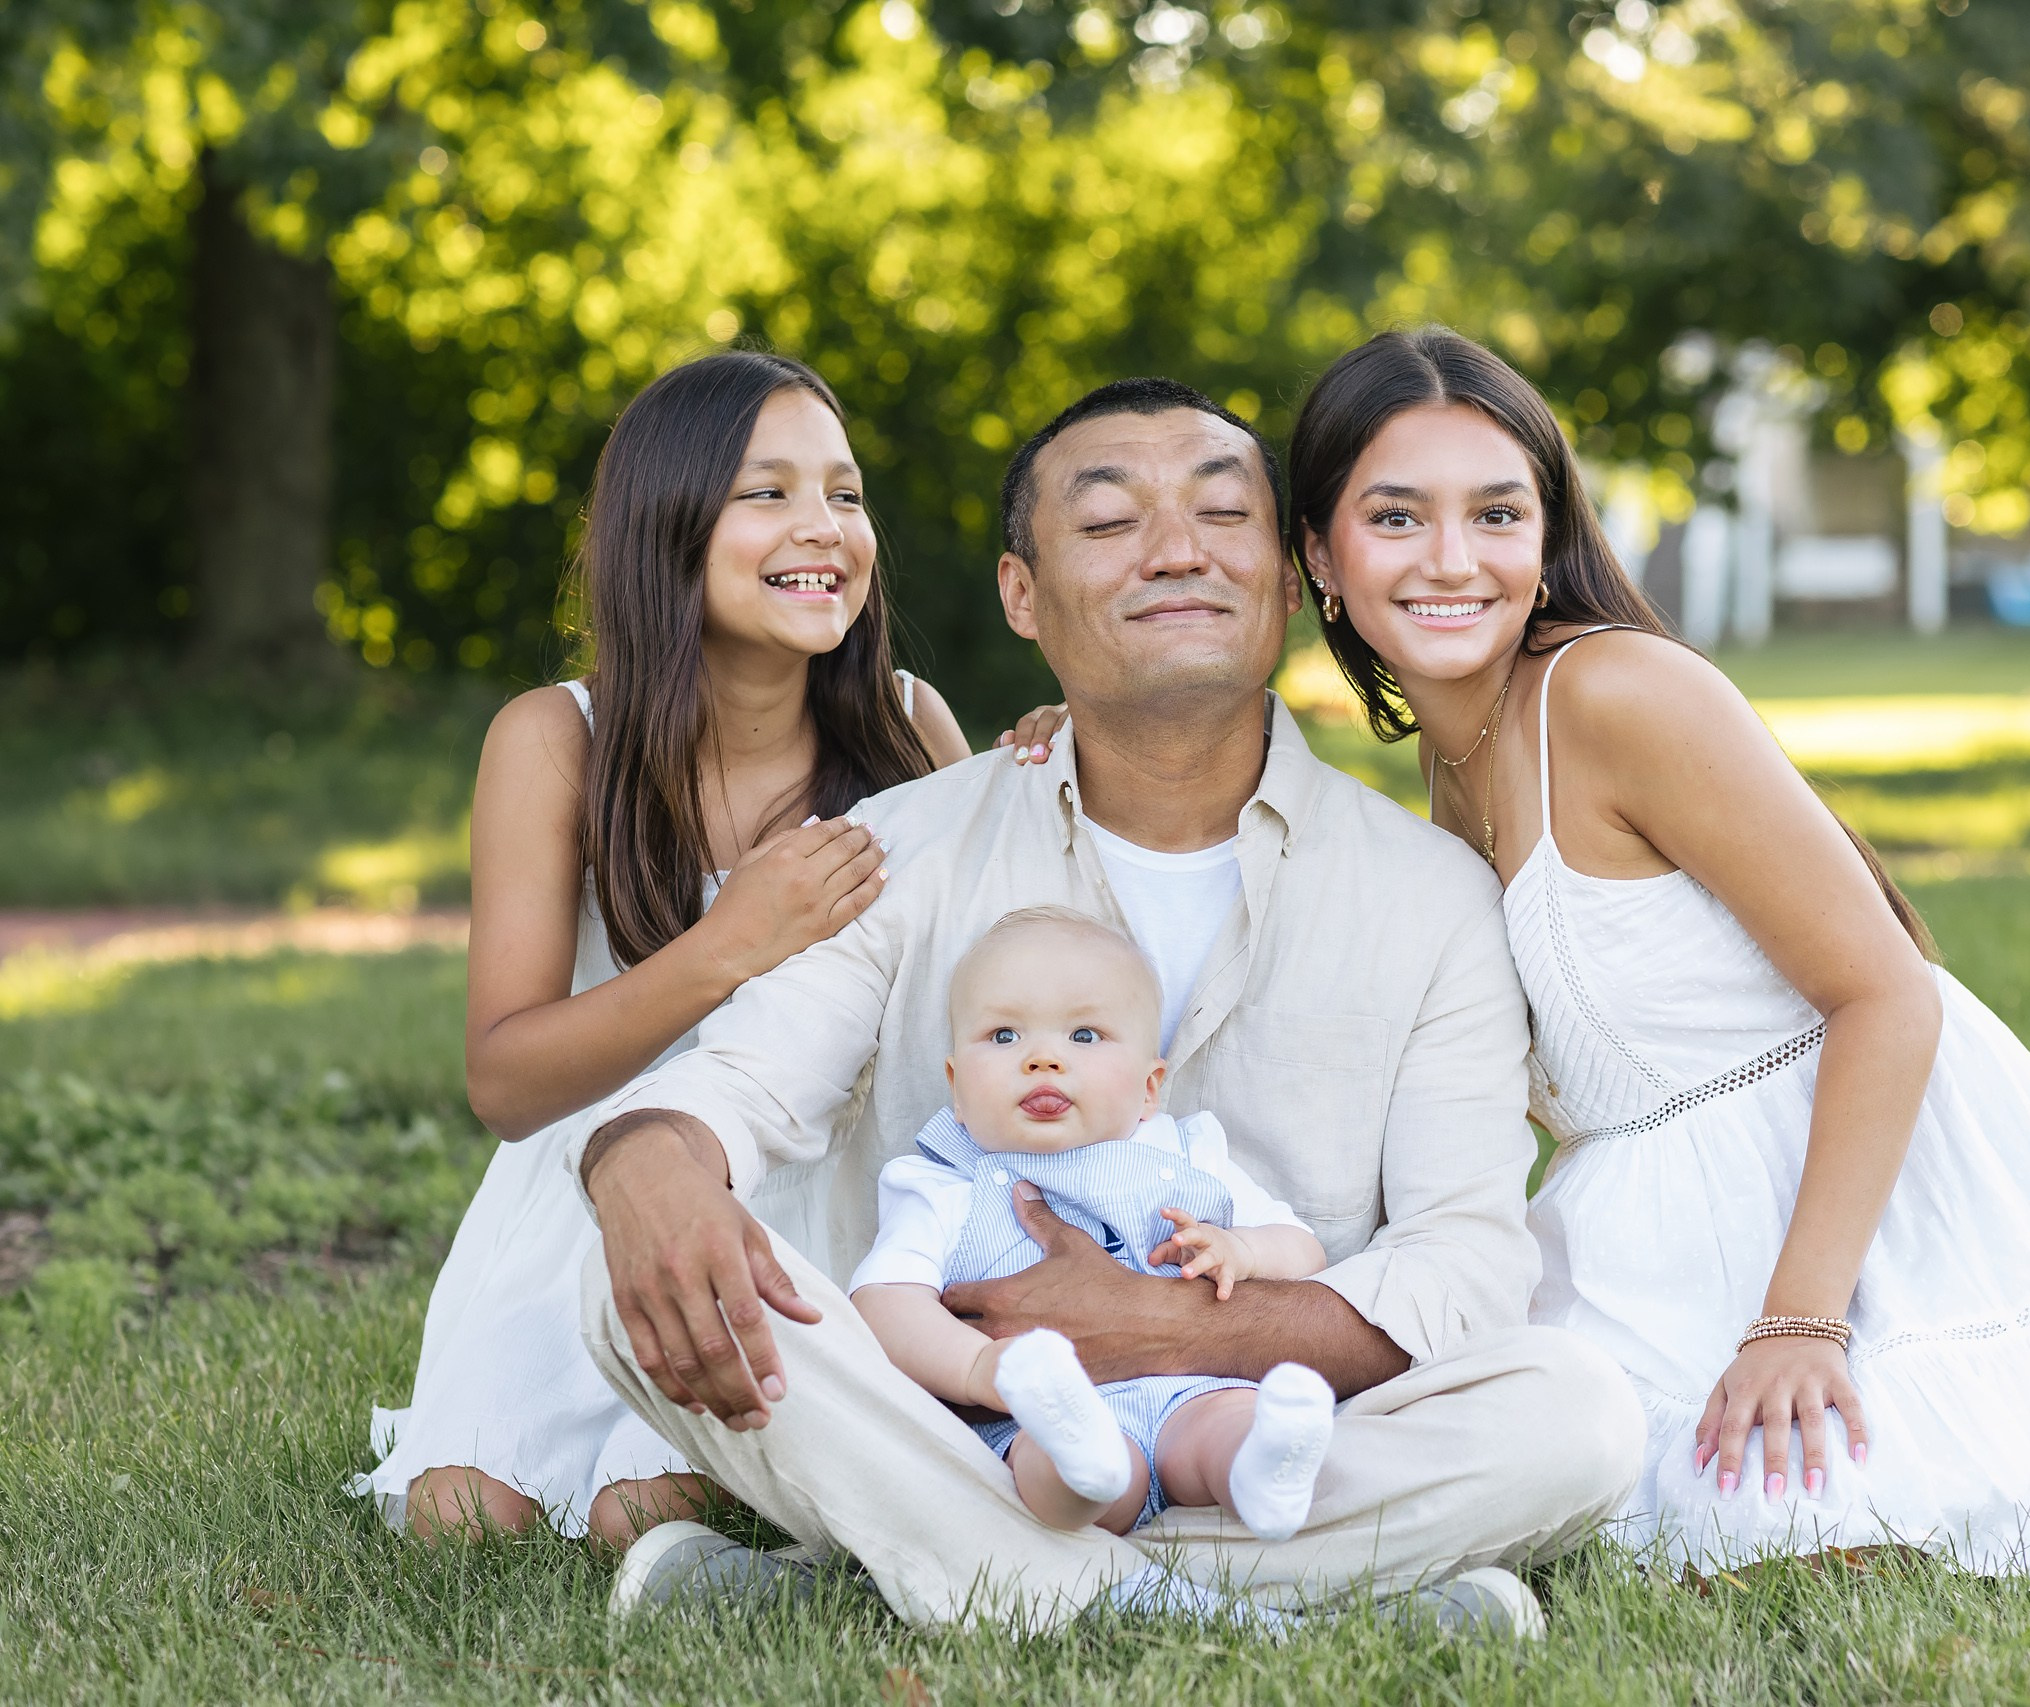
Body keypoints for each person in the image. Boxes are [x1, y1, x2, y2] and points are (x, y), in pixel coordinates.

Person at [572, 376, 1643, 1635]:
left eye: (1219, 514)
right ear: (1022, 595)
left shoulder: (1426, 894)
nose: (1176, 551)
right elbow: (739, 1086)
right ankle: (1234, 1611)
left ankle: (940, 1574)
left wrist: (1156, 1327)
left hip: (1261, 1428)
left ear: (1291, 579)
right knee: (634, 1263)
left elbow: (1462, 1258)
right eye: (1108, 521)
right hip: (962, 1414)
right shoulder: (900, 851)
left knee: (1575, 1412)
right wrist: (643, 1159)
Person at [1287, 327, 2030, 1581]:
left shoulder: (1614, 696)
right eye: (1395, 516)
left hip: (1858, 1210)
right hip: (1638, 1221)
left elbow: (1884, 992)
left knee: (1769, 1533)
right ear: (1321, 554)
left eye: (1496, 513)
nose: (1452, 559)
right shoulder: (1449, 759)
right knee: (1429, 1451)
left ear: (1546, 541)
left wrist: (1801, 1323)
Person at [351, 349, 980, 1548]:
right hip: (589, 1182)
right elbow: (507, 1079)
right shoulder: (556, 739)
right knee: (461, 1517)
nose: (824, 528)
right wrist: (728, 944)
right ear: (667, 522)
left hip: (809, 1180)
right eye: (769, 493)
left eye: (846, 496)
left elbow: (1011, 966)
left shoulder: (907, 725)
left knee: (641, 1515)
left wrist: (1052, 765)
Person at [852, 905, 1338, 1543]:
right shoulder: (942, 1183)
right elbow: (884, 1303)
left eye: (1084, 1036)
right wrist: (979, 1369)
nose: (1042, 1059)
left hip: (1187, 1388)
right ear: (956, 1089)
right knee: (1057, 1465)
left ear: (1148, 1089)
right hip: (1038, 1410)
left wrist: (1242, 1249)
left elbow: (1305, 1249)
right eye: (1004, 1036)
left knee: (1227, 1421)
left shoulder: (1187, 1154)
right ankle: (1088, 1473)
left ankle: (1264, 1469)